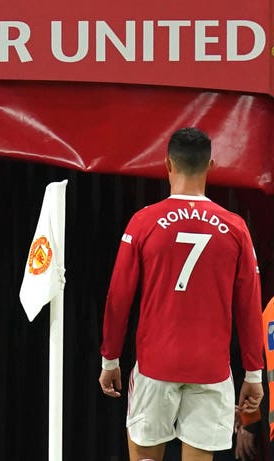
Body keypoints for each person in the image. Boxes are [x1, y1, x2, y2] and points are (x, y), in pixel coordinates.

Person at [98, 127, 264, 461]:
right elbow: (249, 305)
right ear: (211, 166)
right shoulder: (235, 227)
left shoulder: (143, 223)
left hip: (155, 366)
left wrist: (110, 359)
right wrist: (253, 373)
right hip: (211, 370)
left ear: (167, 165)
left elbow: (118, 297)